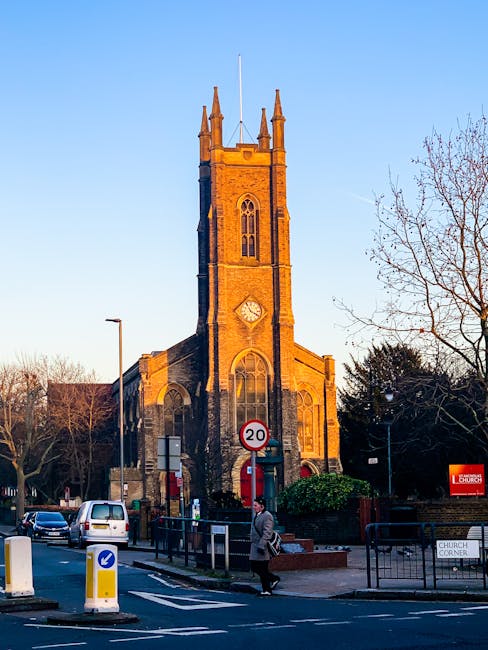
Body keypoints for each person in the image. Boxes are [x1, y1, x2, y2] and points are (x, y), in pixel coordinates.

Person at [249, 496, 281, 596]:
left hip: (262, 546)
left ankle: (267, 590)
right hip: (255, 545)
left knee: (262, 568)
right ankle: (273, 579)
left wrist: (261, 545)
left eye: (255, 505)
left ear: (262, 506)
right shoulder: (257, 515)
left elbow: (267, 532)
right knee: (255, 566)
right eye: (253, 505)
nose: (253, 507)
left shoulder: (267, 516)